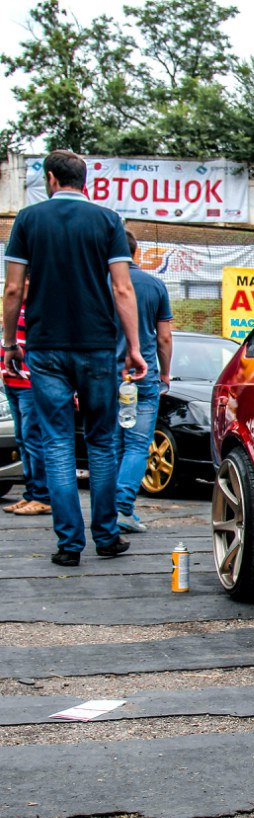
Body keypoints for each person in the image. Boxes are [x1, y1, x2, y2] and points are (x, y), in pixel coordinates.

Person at [2, 150, 146, 567]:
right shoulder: (107, 221)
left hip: (45, 347)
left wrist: (10, 342)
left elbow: (13, 291)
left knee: (56, 442)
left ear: (51, 178)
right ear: (85, 181)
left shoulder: (28, 221)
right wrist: (133, 347)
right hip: (98, 346)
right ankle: (106, 536)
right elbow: (122, 289)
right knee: (102, 442)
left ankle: (69, 545)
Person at [114, 230, 172, 533]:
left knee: (108, 444)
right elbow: (164, 337)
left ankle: (106, 511)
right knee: (137, 444)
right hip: (144, 375)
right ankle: (123, 509)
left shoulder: (100, 284)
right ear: (137, 252)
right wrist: (164, 373)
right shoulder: (154, 285)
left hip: (105, 375)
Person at [2, 295, 51, 516]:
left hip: (29, 383)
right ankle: (31, 493)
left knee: (33, 440)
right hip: (11, 381)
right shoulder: (14, 309)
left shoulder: (37, 309)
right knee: (22, 438)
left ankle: (43, 495)